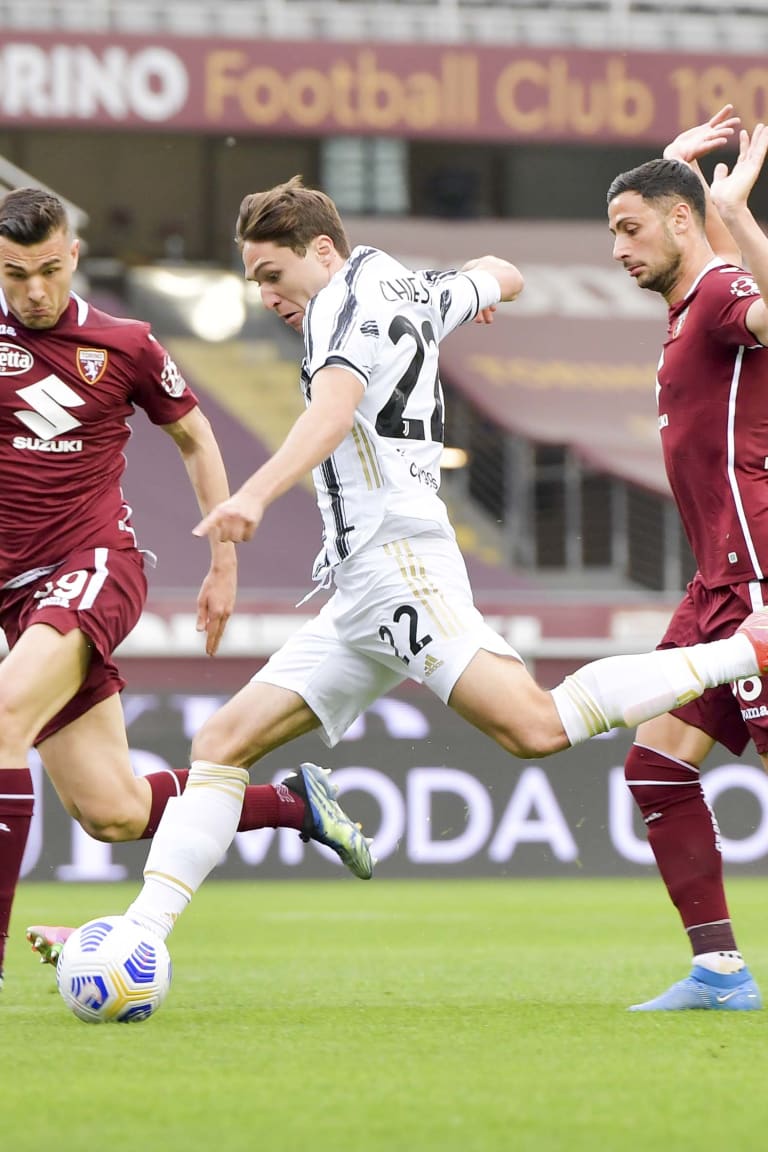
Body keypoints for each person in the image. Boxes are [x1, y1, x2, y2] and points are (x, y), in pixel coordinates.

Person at [49, 174, 767, 961]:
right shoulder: (403, 285)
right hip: (359, 584)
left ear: (321, 253)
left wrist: (252, 497)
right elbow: (502, 270)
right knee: (221, 742)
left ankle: (747, 650)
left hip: (400, 563)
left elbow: (331, 411)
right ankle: (141, 941)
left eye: (272, 277)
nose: (266, 298)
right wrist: (489, 289)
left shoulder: (337, 310)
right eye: (255, 281)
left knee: (535, 726)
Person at [0, 187, 372, 989]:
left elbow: (195, 437)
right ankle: (292, 805)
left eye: (46, 271)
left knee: (4, 718)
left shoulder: (124, 343)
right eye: (12, 275)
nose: (32, 291)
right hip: (16, 598)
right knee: (115, 812)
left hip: (92, 566)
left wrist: (223, 561)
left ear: (73, 257)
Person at [606, 107, 768, 1011]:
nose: (619, 250)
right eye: (614, 232)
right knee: (657, 767)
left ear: (680, 223)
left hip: (760, 580)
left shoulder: (717, 293)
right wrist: (674, 174)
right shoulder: (683, 307)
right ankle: (719, 971)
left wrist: (732, 212)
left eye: (632, 229)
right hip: (715, 585)